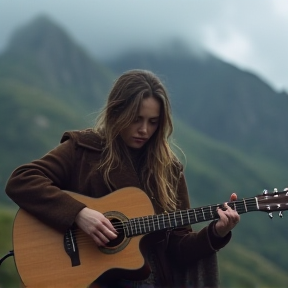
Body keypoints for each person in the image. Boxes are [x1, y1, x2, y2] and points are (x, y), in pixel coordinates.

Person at [5, 69, 240, 288]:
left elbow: (179, 248)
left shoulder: (169, 171)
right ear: (117, 112)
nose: (144, 130)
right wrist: (78, 214)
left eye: (153, 122)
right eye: (136, 119)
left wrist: (216, 232)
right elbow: (22, 180)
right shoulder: (84, 148)